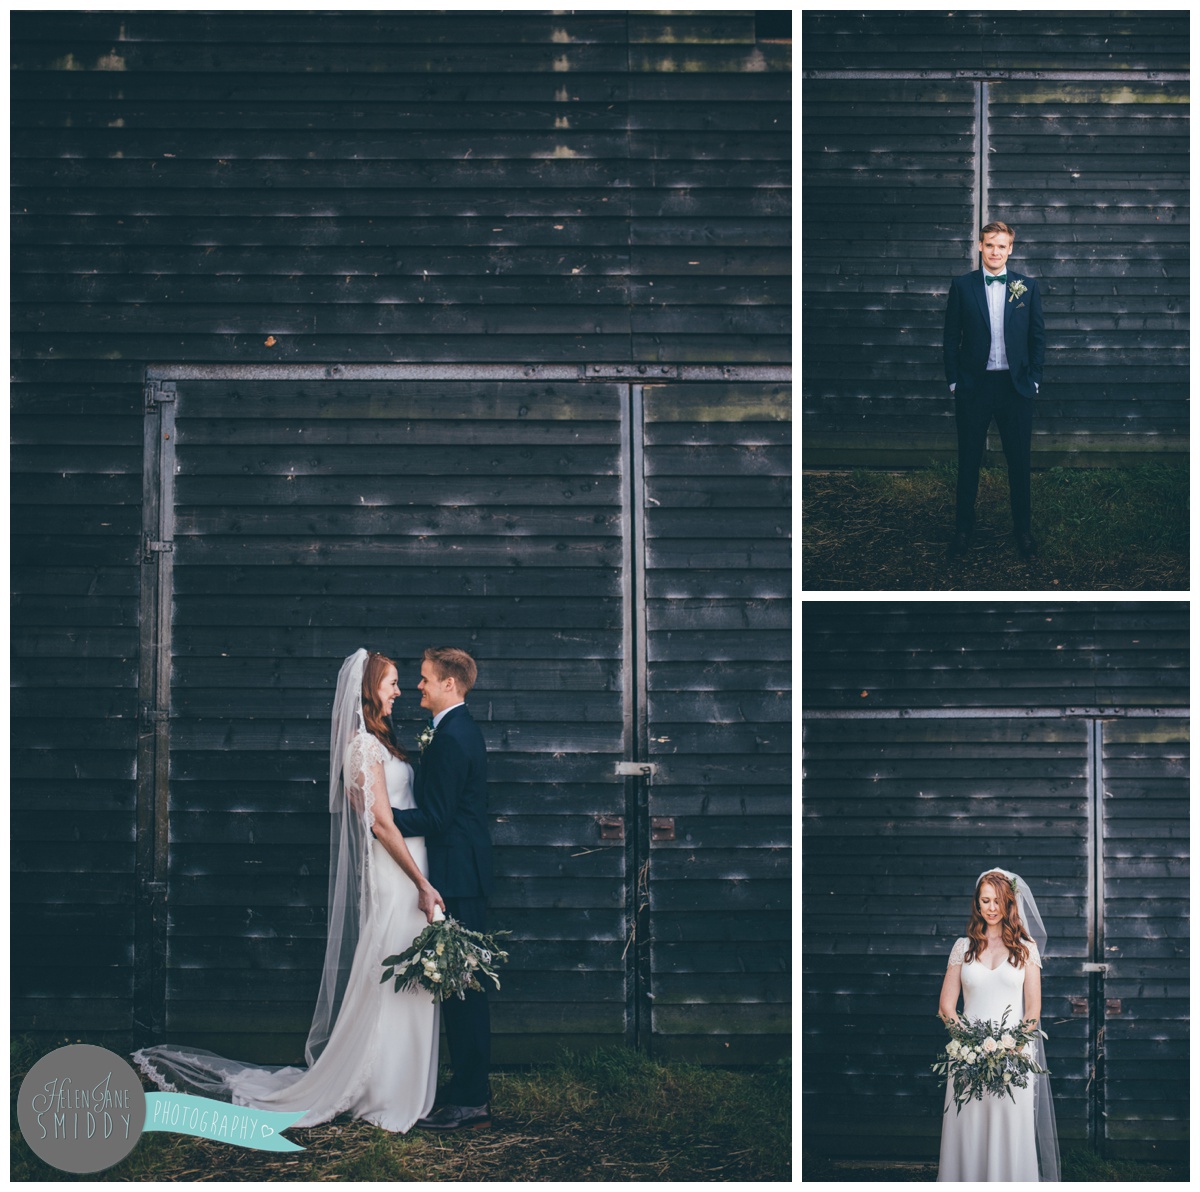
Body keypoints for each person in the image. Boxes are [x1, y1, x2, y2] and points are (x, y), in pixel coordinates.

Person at [132, 649, 442, 1133]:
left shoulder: (384, 740)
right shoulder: (362, 746)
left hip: (412, 867)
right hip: (397, 873)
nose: (399, 691)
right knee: (395, 969)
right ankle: (382, 1087)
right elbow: (381, 825)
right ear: (368, 688)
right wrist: (420, 882)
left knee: (410, 969)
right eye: (392, 683)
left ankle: (402, 1081)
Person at [390, 646, 494, 1132]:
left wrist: (379, 820)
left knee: (465, 988)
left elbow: (436, 816)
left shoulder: (453, 737)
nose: (419, 687)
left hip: (459, 876)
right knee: (457, 986)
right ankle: (465, 1088)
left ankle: (472, 1100)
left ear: (449, 684)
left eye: (426, 679)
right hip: (457, 871)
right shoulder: (452, 730)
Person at [936, 868, 1060, 1182]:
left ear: (1009, 904)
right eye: (985, 901)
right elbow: (946, 1007)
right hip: (966, 1058)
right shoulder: (962, 948)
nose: (992, 908)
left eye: (998, 901)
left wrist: (1013, 1047)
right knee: (969, 1127)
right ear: (977, 904)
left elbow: (1033, 1009)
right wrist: (969, 1046)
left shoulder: (1025, 948)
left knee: (1008, 1130)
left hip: (1012, 1059)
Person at [943, 221, 1045, 561]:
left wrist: (1033, 380)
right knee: (969, 460)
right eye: (990, 245)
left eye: (1002, 246)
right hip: (975, 386)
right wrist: (955, 381)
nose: (996, 251)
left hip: (1015, 388)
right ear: (980, 246)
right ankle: (962, 531)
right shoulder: (962, 286)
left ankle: (1023, 530)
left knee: (1019, 462)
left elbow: (1037, 338)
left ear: (1011, 248)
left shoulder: (1026, 287)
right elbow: (950, 338)